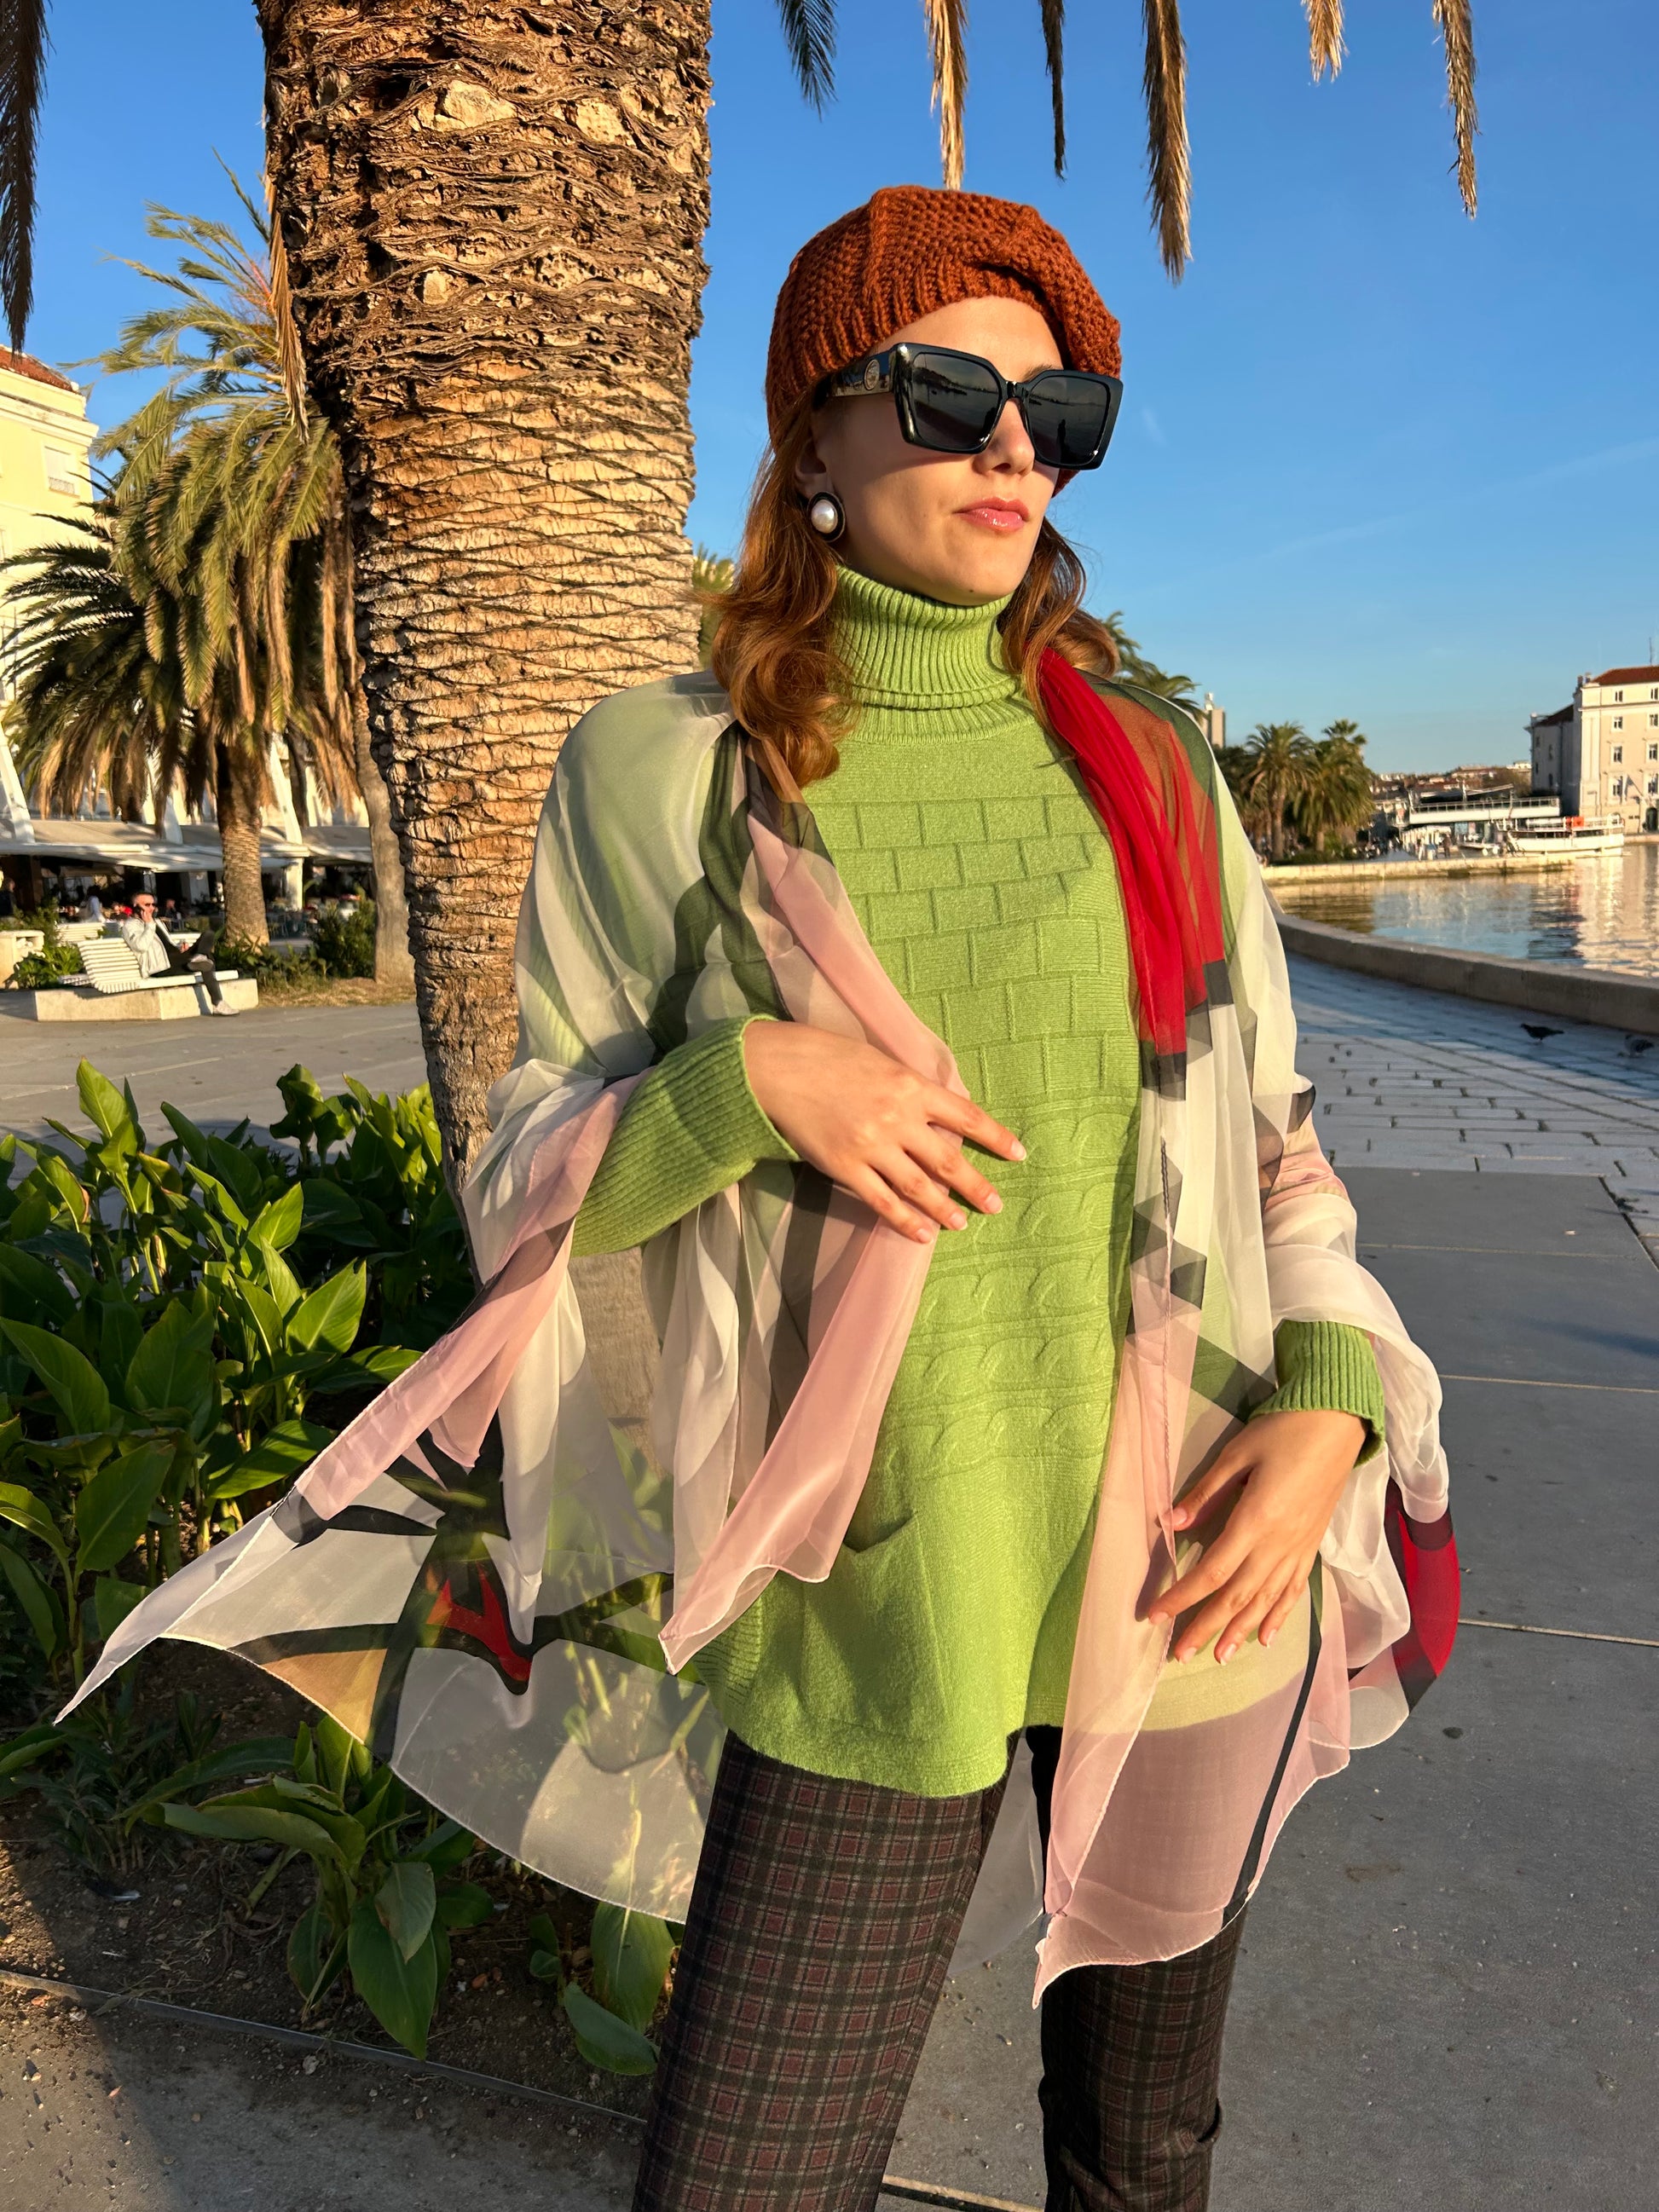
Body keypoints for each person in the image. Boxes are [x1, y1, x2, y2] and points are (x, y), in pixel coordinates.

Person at [62, 190, 1455, 2212]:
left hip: (1195, 1536)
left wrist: (1327, 1398)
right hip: (870, 1572)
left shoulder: (1154, 765)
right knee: (746, 2173)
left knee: (1142, 2149)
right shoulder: (663, 770)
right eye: (950, 390)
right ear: (814, 430)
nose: (1012, 447)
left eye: (1059, 411)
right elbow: (524, 1180)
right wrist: (744, 1085)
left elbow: (1275, 1141)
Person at [119, 891, 237, 1015]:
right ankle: (218, 1003)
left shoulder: (157, 922)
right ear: (136, 907)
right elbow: (141, 946)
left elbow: (167, 944)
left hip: (175, 959)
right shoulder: (131, 926)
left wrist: (180, 947)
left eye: (153, 904)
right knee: (207, 960)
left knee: (208, 934)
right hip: (161, 967)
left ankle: (198, 958)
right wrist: (149, 925)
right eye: (147, 905)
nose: (152, 908)